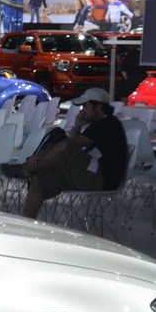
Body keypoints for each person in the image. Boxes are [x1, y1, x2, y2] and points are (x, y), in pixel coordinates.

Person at [21, 87, 127, 219]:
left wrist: (37, 156)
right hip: (88, 175)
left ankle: (27, 167)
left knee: (65, 147)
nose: (82, 110)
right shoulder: (101, 124)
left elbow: (70, 145)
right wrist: (77, 125)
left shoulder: (107, 123)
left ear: (99, 107)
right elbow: (71, 143)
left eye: (85, 106)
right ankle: (27, 222)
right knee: (40, 178)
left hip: (102, 179)